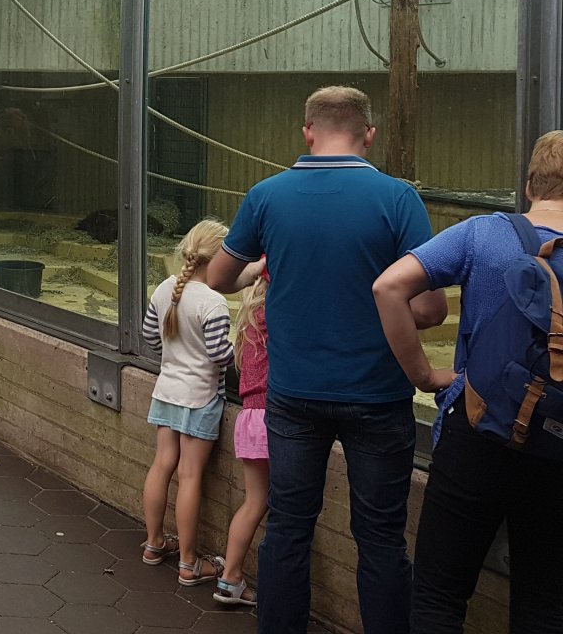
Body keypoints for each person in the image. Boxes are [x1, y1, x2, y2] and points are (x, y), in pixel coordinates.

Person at [206, 85, 446, 634]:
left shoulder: (266, 196)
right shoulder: (398, 199)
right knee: (381, 537)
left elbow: (218, 277)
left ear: (308, 132)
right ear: (369, 134)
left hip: (293, 396)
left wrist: (269, 263)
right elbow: (431, 309)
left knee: (288, 526)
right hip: (378, 396)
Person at [373, 129, 563, 634]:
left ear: (529, 186)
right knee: (546, 605)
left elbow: (388, 287)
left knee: (438, 596)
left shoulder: (484, 233)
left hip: (477, 428)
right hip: (557, 442)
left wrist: (423, 375)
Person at [141, 219, 233, 587]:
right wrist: (241, 351)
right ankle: (189, 563)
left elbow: (150, 338)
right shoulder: (214, 302)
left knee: (162, 464)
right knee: (190, 475)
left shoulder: (165, 289)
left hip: (167, 390)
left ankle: (153, 544)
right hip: (200, 397)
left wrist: (176, 355)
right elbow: (220, 355)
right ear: (220, 258)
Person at [214, 260, 270, 609]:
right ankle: (233, 576)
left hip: (249, 417)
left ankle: (230, 576)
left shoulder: (249, 320)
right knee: (272, 505)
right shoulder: (275, 315)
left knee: (253, 501)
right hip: (271, 417)